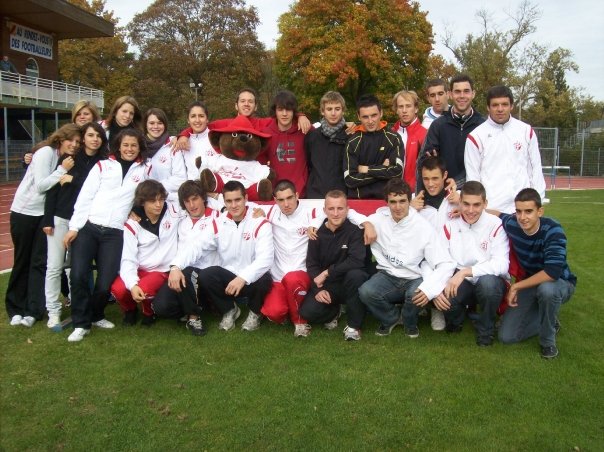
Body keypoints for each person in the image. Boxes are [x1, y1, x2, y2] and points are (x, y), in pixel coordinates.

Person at [63, 129, 150, 342]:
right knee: (79, 275)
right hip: (89, 228)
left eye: (134, 146)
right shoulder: (102, 166)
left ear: (139, 148)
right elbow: (85, 197)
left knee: (105, 282)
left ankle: (96, 314)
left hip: (115, 232)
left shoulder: (145, 170)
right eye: (126, 145)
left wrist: (135, 212)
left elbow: (145, 196)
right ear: (118, 146)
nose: (129, 149)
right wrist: (75, 227)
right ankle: (81, 323)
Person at [169, 181, 273, 332]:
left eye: (237, 200)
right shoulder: (219, 222)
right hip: (229, 278)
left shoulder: (260, 222)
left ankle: (255, 313)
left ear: (245, 198)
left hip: (251, 278)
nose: (234, 205)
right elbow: (196, 246)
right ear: (224, 202)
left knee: (265, 278)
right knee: (206, 275)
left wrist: (243, 278)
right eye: (229, 201)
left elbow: (265, 259)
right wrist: (175, 266)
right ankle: (229, 310)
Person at [359, 179, 455, 338]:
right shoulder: (379, 218)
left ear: (409, 201)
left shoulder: (423, 227)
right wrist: (366, 223)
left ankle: (410, 322)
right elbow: (351, 213)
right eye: (393, 202)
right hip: (387, 276)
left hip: (414, 277)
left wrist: (430, 289)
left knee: (416, 295)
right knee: (365, 291)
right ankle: (392, 318)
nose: (398, 207)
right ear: (387, 203)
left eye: (402, 201)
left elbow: (445, 263)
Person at [6, 124, 80, 327]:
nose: (73, 145)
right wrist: (62, 171)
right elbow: (40, 186)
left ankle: (33, 310)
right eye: (70, 140)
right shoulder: (46, 153)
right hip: (24, 212)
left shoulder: (63, 158)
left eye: (77, 142)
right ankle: (15, 308)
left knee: (39, 263)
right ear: (61, 139)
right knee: (23, 260)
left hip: (44, 215)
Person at [496, 188, 576, 359]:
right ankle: (550, 319)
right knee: (506, 337)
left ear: (540, 211)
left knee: (547, 290)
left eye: (528, 211)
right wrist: (463, 207)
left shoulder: (553, 230)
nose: (522, 217)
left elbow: (552, 272)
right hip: (531, 282)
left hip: (560, 282)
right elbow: (496, 214)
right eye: (518, 211)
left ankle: (548, 342)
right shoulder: (513, 224)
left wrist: (516, 286)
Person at [42, 122, 107, 330]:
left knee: (82, 268)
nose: (94, 139)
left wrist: (74, 180)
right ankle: (53, 311)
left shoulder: (105, 161)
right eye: (90, 135)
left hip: (87, 220)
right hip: (62, 217)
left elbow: (96, 189)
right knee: (54, 266)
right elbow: (53, 189)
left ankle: (87, 309)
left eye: (98, 135)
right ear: (84, 138)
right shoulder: (69, 160)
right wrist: (47, 219)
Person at [436, 181, 509, 346]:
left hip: (488, 278)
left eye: (477, 205)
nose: (470, 210)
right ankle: (460, 318)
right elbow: (441, 260)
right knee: (446, 295)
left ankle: (486, 330)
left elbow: (502, 264)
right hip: (462, 279)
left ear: (485, 204)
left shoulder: (495, 224)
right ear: (459, 202)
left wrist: (465, 272)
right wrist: (438, 289)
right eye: (466, 204)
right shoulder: (450, 224)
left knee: (488, 286)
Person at [298, 190, 369, 341]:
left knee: (356, 274)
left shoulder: (355, 231)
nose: (336, 213)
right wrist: (318, 289)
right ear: (325, 211)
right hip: (328, 286)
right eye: (331, 209)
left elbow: (356, 261)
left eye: (340, 208)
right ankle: (334, 310)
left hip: (349, 283)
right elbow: (312, 265)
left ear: (347, 210)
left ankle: (354, 326)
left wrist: (328, 272)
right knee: (307, 313)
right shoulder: (316, 233)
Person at [465, 85, 546, 214]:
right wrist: (480, 209)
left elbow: (535, 169)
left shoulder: (526, 131)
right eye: (495, 105)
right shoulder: (476, 136)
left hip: (522, 210)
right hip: (492, 210)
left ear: (511, 106)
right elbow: (473, 177)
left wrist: (538, 201)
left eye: (504, 104)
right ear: (488, 107)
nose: (500, 109)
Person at [152, 181, 220, 335]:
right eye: (187, 201)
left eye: (195, 199)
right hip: (180, 271)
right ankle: (197, 306)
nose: (191, 205)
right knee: (160, 307)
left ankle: (194, 317)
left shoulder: (218, 217)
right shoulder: (180, 219)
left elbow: (197, 247)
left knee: (188, 272)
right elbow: (158, 203)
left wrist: (175, 267)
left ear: (203, 198)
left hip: (205, 273)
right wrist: (136, 211)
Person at [110, 181, 180, 327]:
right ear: (142, 202)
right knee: (118, 289)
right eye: (153, 201)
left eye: (161, 199)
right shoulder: (132, 223)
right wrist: (132, 284)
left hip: (161, 270)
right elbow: (128, 258)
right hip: (140, 268)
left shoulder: (174, 212)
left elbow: (190, 200)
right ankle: (129, 310)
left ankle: (149, 312)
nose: (158, 204)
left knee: (144, 288)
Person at [175, 88, 311, 160]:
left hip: (259, 177)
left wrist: (300, 116)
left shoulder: (266, 123)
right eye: (243, 101)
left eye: (250, 101)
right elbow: (200, 124)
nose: (246, 104)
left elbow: (284, 115)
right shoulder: (225, 124)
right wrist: (183, 135)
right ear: (236, 105)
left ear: (256, 106)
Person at [410, 156, 460, 331]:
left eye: (435, 178)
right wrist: (410, 209)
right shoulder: (414, 204)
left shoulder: (457, 199)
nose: (430, 184)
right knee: (426, 266)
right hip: (424, 262)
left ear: (445, 175)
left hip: (454, 260)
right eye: (426, 179)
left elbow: (483, 212)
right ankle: (434, 306)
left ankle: (437, 305)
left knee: (455, 308)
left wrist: (461, 204)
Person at [422, 74, 485, 188]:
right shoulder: (438, 125)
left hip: (475, 195)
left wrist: (458, 182)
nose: (462, 96)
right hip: (445, 193)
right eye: (457, 91)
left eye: (466, 91)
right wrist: (420, 194)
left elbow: (485, 164)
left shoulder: (483, 126)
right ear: (450, 94)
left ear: (473, 94)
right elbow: (424, 163)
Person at [344, 94, 403, 199]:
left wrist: (367, 169)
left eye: (374, 115)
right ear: (358, 116)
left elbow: (397, 172)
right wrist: (383, 169)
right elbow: (350, 179)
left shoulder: (393, 138)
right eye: (365, 117)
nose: (370, 121)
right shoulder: (352, 142)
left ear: (381, 113)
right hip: (358, 201)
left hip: (386, 201)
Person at [304, 91, 349, 198]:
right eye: (329, 109)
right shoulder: (312, 136)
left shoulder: (350, 136)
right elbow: (309, 164)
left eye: (337, 109)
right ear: (322, 111)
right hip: (315, 194)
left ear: (343, 110)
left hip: (341, 196)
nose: (333, 113)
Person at [143, 108, 187, 204]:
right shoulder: (138, 146)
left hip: (169, 202)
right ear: (145, 125)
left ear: (165, 125)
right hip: (145, 202)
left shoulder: (172, 145)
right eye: (151, 123)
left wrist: (153, 189)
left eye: (160, 123)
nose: (156, 126)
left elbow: (180, 178)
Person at [391, 90, 427, 191]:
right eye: (401, 106)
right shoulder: (390, 134)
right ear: (396, 110)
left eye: (408, 106)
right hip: (392, 192)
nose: (404, 110)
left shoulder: (425, 135)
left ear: (416, 109)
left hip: (415, 192)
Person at [182, 101, 218, 180]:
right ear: (188, 120)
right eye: (193, 116)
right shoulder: (183, 142)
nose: (197, 120)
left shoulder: (217, 138)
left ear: (207, 119)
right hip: (191, 190)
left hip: (215, 190)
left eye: (201, 116)